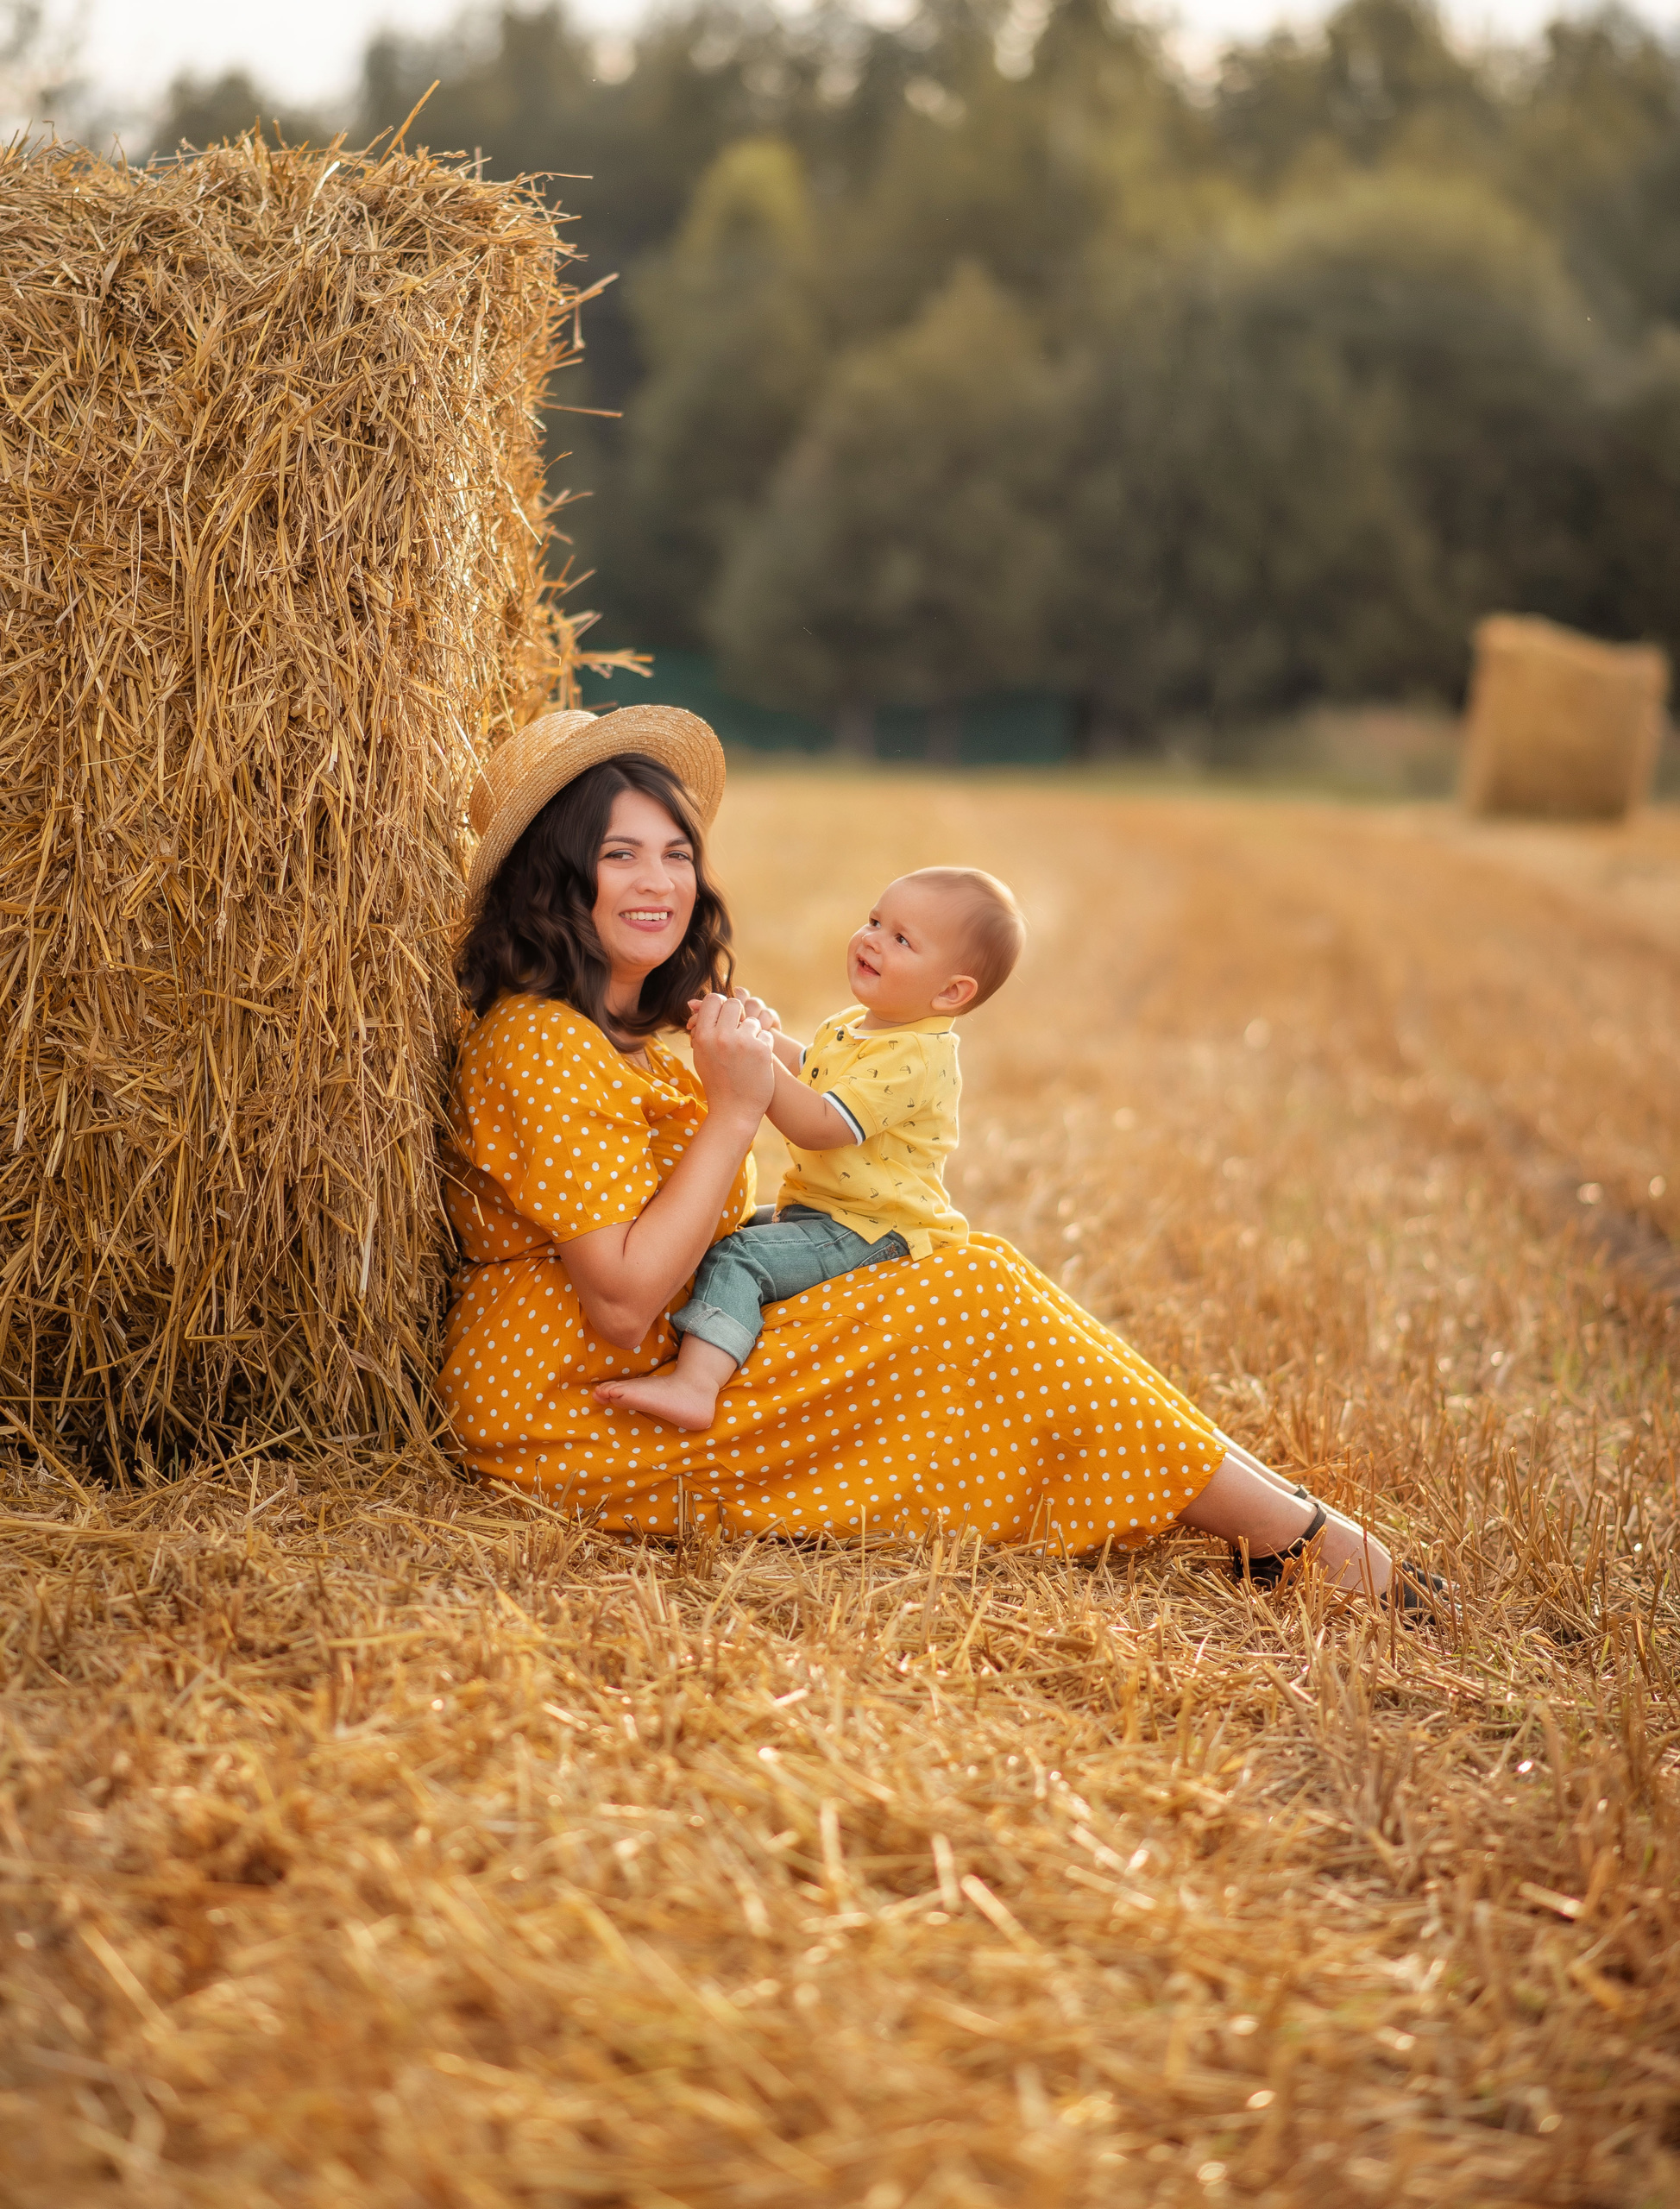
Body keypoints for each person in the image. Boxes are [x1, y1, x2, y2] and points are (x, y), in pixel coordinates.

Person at [439, 706, 1431, 1610]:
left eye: (675, 853)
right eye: (620, 855)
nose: (661, 882)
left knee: (977, 1276)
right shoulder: (537, 1041)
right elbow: (619, 1302)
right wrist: (736, 1112)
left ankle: (1286, 1522)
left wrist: (748, 1072)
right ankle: (1298, 1536)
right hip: (580, 1403)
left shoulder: (644, 1027)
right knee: (974, 1301)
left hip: (686, 1345)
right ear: (557, 875)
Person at [593, 865, 1023, 1432]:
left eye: (900, 939)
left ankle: (695, 1386)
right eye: (873, 920)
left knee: (737, 1257)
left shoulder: (916, 1057)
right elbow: (813, 1071)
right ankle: (722, 1350)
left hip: (870, 1228)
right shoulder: (863, 1027)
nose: (870, 938)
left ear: (950, 991)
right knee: (731, 1233)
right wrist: (757, 1033)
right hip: (832, 1212)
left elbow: (821, 1123)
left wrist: (751, 1065)